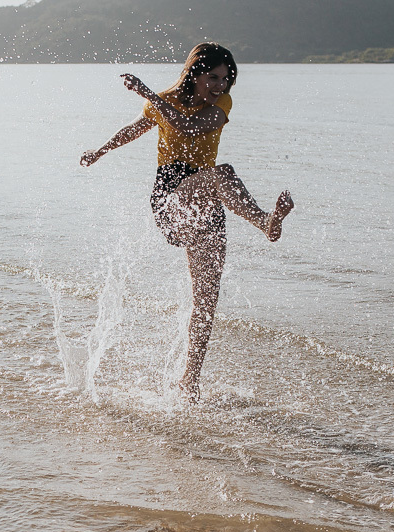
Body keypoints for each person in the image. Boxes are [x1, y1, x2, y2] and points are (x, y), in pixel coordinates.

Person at [81, 42, 294, 401]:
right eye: (213, 77)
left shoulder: (220, 106)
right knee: (221, 173)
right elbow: (134, 129)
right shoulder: (165, 100)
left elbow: (189, 126)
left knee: (206, 301)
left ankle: (189, 381)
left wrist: (148, 92)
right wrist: (100, 151)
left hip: (208, 204)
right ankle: (265, 222)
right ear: (195, 73)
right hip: (172, 199)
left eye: (226, 80)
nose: (220, 86)